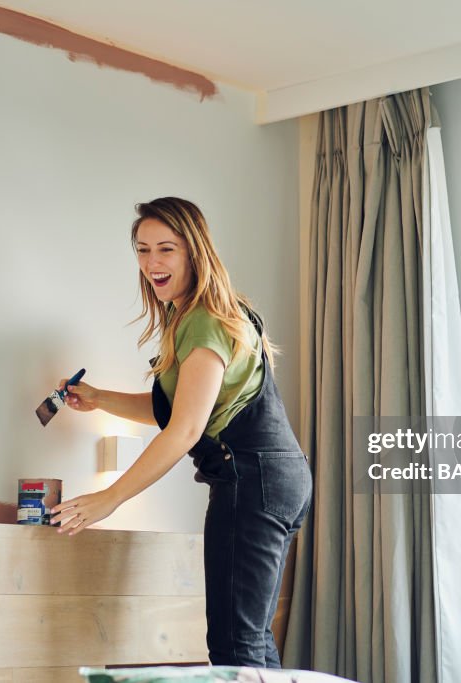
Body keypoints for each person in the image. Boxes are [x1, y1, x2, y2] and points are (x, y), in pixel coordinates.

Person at [50, 197, 312, 668]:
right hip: (273, 478)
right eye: (143, 249)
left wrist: (107, 498)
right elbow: (182, 411)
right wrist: (99, 398)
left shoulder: (204, 320)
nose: (152, 263)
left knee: (237, 647)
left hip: (251, 479)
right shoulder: (202, 313)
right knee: (249, 640)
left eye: (166, 249)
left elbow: (186, 429)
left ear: (195, 251)